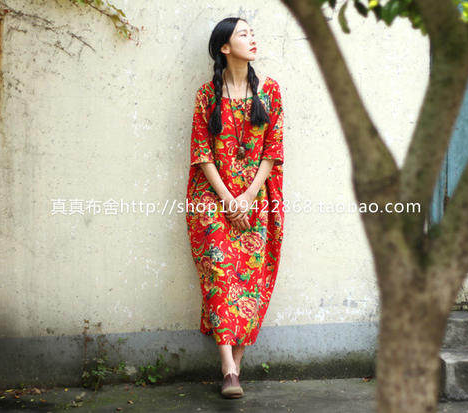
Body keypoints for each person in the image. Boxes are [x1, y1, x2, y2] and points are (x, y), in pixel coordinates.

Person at [185, 16, 285, 399]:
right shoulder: (206, 95)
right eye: (243, 34)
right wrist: (228, 198)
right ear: (225, 47)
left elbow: (273, 151)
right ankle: (228, 365)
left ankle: (235, 370)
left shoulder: (270, 92)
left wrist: (247, 197)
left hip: (257, 198)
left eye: (252, 33)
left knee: (250, 280)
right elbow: (202, 153)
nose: (252, 38)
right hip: (213, 198)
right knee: (219, 273)